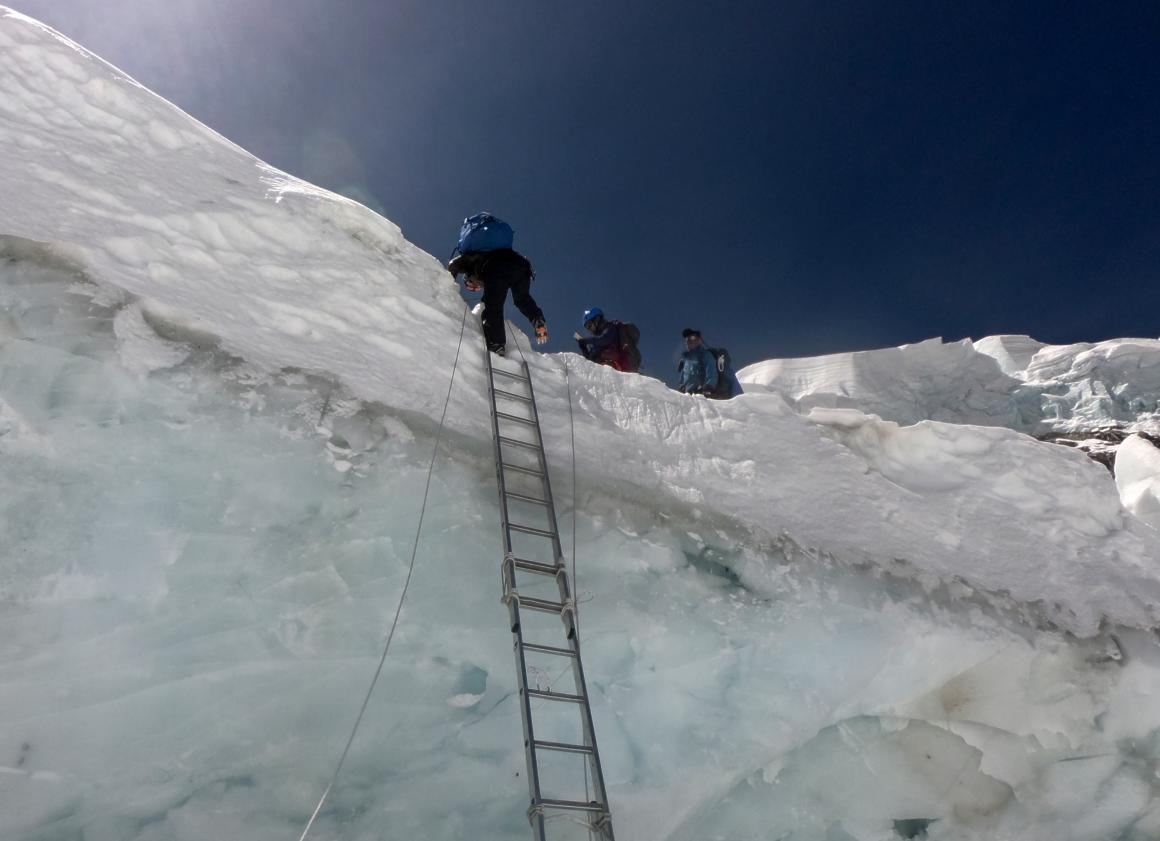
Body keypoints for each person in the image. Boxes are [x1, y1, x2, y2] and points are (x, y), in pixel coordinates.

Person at [448, 247, 547, 356]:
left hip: (497, 265)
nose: (476, 288)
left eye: (472, 287)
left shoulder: (470, 263)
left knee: (493, 307)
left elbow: (453, 264)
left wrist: (447, 286)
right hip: (522, 267)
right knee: (522, 299)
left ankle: (497, 345)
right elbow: (491, 292)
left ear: (468, 279)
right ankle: (538, 319)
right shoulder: (484, 265)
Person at [574, 307, 642, 373]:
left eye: (589, 325)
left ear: (597, 320)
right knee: (595, 352)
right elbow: (590, 358)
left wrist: (585, 341)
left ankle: (612, 370)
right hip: (619, 363)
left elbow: (604, 339)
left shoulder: (610, 327)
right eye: (587, 328)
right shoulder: (598, 341)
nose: (589, 329)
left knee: (599, 352)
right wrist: (583, 348)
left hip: (625, 362)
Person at [677, 328, 720, 396]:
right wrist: (681, 386)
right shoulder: (686, 359)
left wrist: (709, 387)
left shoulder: (705, 355)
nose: (687, 342)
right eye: (686, 340)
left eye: (690, 339)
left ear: (698, 341)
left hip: (700, 395)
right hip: (687, 396)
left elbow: (712, 372)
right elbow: (683, 375)